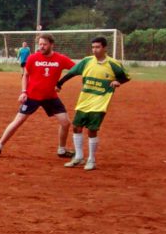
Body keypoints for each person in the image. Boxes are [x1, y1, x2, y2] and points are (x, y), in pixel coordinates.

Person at [0, 33, 76, 159]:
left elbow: (76, 69)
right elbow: (25, 75)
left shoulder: (60, 59)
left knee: (65, 123)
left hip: (50, 97)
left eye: (44, 44)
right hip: (32, 96)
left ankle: (61, 150)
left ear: (51, 44)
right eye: (40, 44)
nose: (42, 47)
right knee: (17, 122)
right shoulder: (33, 58)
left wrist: (61, 83)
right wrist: (24, 91)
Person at [56, 36, 131, 171]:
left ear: (104, 48)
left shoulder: (113, 64)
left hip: (100, 102)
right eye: (93, 47)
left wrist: (118, 82)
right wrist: (59, 83)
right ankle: (78, 157)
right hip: (84, 100)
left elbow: (125, 77)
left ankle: (91, 159)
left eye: (97, 47)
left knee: (92, 130)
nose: (94, 50)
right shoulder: (87, 61)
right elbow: (72, 73)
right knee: (77, 127)